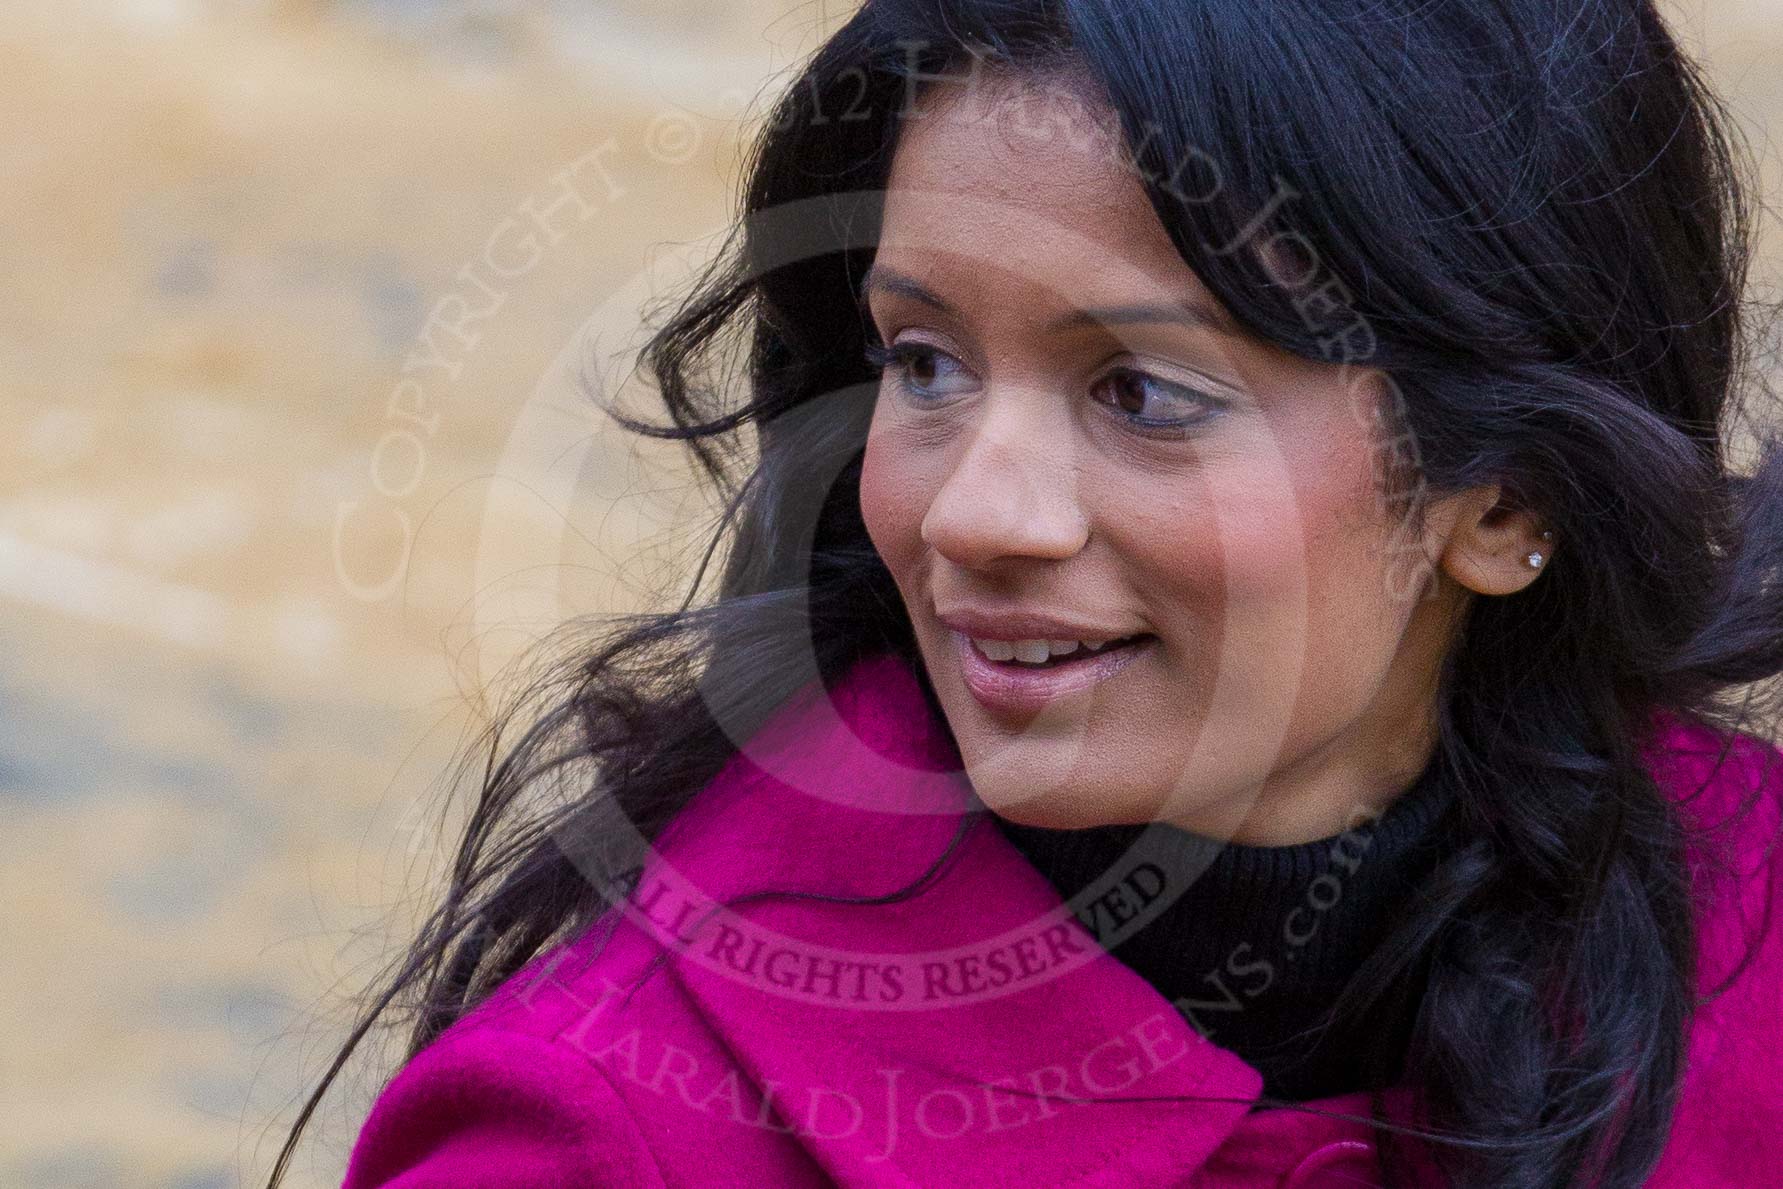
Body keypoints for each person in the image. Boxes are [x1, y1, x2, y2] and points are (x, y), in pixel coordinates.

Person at [268, 2, 1783, 1186]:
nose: (972, 511)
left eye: (1142, 390)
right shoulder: (595, 1135)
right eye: (923, 362)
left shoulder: (1757, 950)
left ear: (1506, 499)